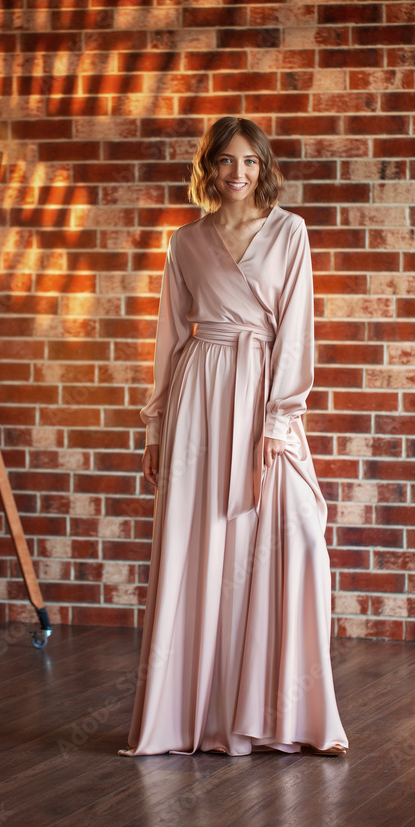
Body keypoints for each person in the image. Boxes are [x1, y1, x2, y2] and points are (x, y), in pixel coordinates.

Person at [119, 117, 348, 757]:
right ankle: (198, 717)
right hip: (199, 396)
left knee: (297, 532)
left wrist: (278, 422)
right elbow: (168, 338)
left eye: (250, 161)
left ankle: (278, 712)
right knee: (203, 546)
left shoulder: (290, 232)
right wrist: (157, 426)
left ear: (262, 167)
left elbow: (296, 332)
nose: (238, 173)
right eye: (226, 161)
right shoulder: (186, 242)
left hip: (261, 395)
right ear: (210, 168)